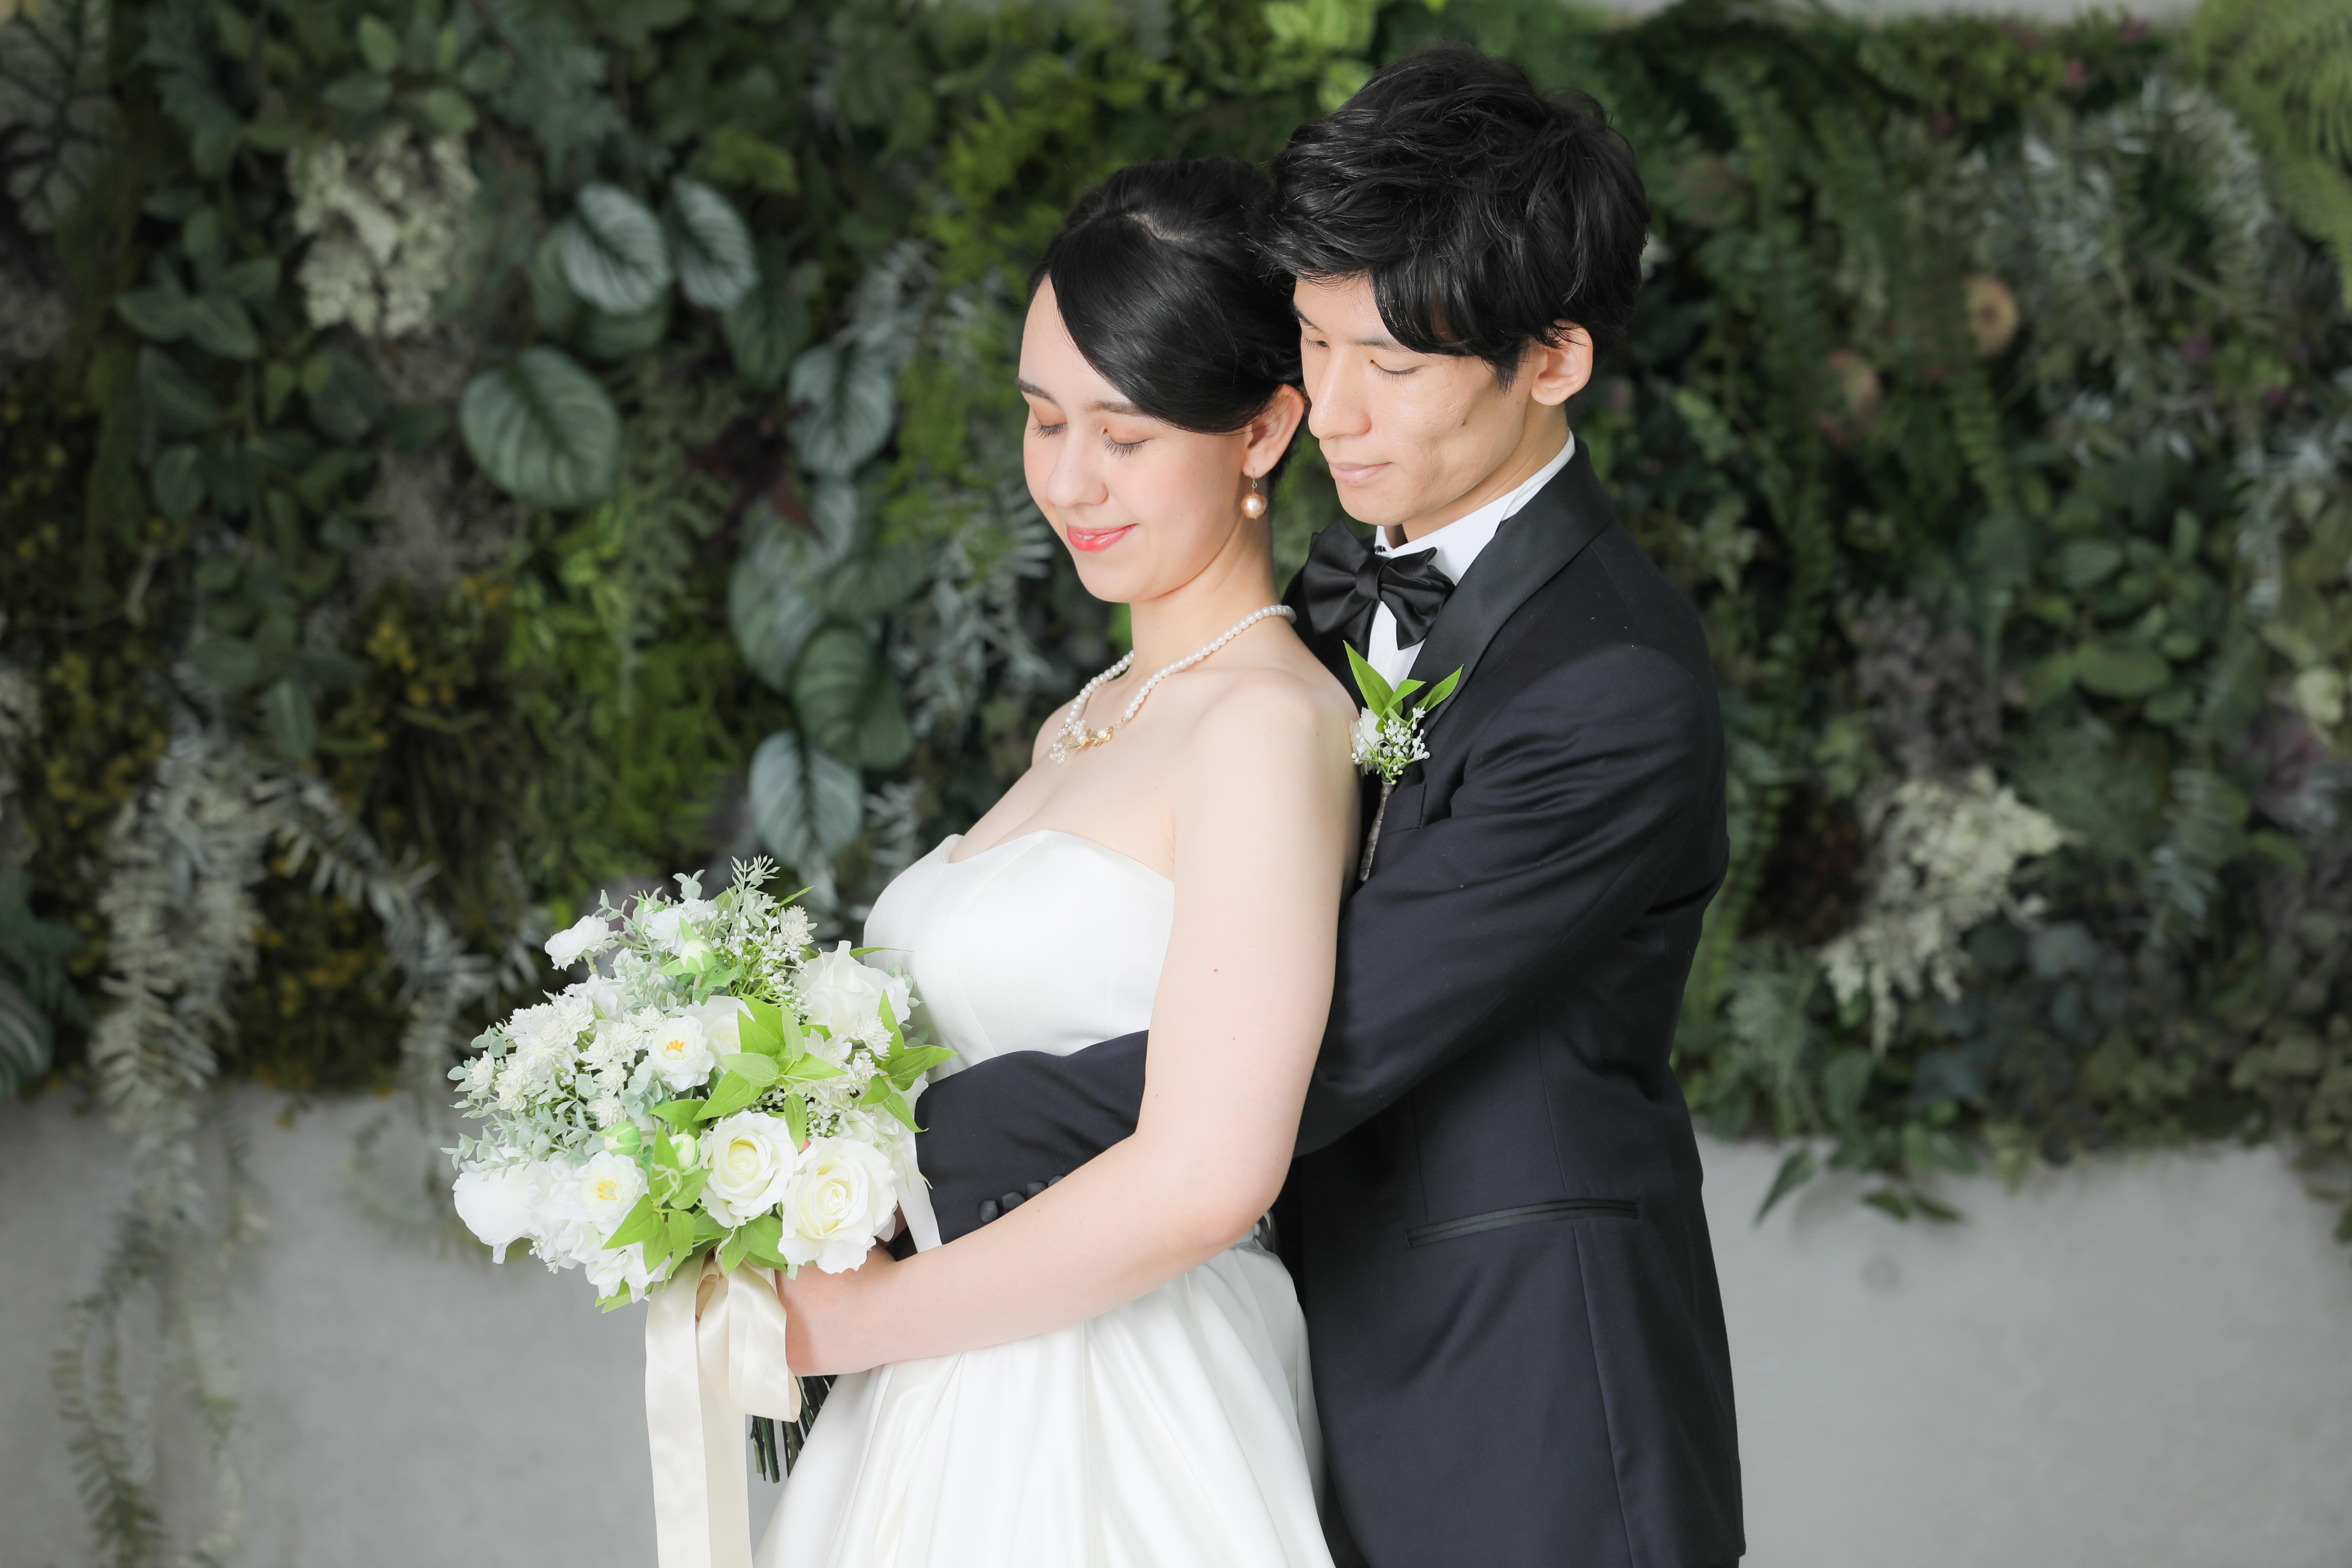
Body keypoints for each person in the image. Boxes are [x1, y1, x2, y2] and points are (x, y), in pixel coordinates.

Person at [778, 44, 1745, 1568]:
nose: (1333, 410)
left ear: (1554, 358)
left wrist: (881, 1142)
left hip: (1522, 1401)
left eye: (1394, 367)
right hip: (1280, 1356)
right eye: (1314, 342)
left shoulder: (1608, 683)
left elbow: (1340, 1032)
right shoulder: (1321, 604)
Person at [754, 154, 1357, 1567]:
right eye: (1042, 419)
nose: (1069, 480)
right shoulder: (1089, 719)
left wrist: (857, 1321)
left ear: (1266, 428)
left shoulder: (1266, 724)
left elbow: (1210, 1172)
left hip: (1109, 1399)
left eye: (1124, 436)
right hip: (954, 1376)